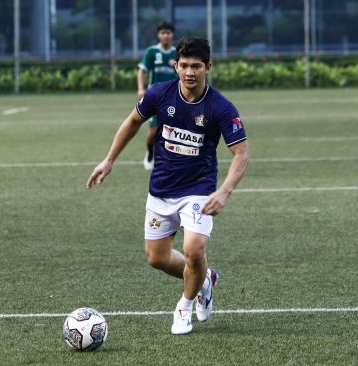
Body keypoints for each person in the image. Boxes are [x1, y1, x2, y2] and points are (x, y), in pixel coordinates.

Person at [86, 37, 249, 335]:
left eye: (196, 66)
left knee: (194, 249)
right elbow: (133, 122)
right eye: (184, 65)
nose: (189, 72)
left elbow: (242, 154)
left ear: (208, 67)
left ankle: (184, 306)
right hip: (161, 188)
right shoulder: (159, 94)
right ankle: (205, 280)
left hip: (199, 188)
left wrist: (223, 191)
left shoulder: (221, 107)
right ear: (175, 66)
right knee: (157, 258)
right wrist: (109, 160)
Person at [137, 21, 179, 170]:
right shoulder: (152, 52)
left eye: (168, 32)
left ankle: (170, 159)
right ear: (158, 35)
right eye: (163, 33)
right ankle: (150, 151)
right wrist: (141, 88)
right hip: (155, 98)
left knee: (173, 131)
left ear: (172, 34)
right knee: (153, 131)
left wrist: (176, 65)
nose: (166, 35)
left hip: (174, 97)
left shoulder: (177, 53)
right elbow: (141, 70)